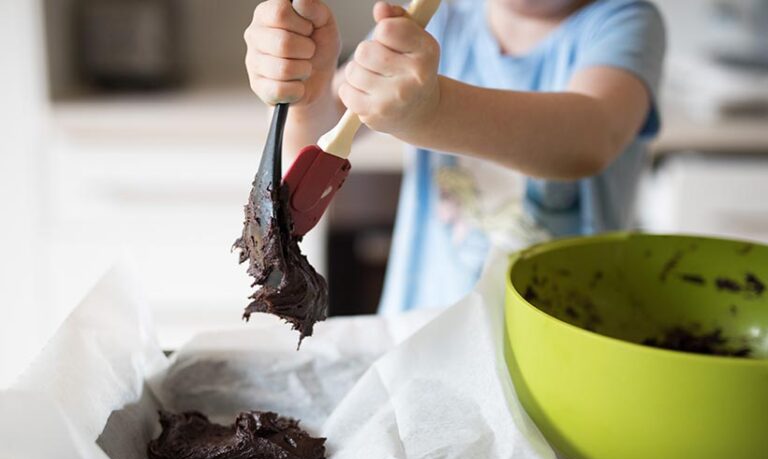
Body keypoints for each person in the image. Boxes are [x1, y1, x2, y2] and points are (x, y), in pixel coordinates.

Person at [243, 0, 666, 313]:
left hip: (567, 343)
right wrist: (306, 94)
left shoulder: (622, 22)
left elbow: (589, 137)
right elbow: (319, 134)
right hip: (426, 330)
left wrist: (432, 111)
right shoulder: (438, 21)